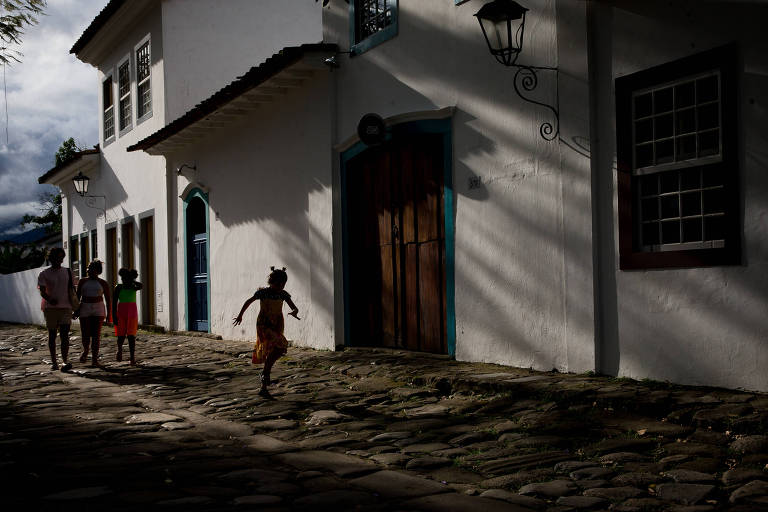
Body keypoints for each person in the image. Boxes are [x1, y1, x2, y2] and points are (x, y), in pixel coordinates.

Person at [233, 266, 299, 399]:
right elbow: (248, 301)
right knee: (280, 343)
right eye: (278, 284)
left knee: (279, 349)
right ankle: (266, 373)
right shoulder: (263, 293)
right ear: (271, 282)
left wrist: (294, 312)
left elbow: (294, 307)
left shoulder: (283, 294)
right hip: (264, 324)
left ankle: (264, 380)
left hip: (277, 324)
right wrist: (240, 315)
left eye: (283, 284)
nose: (280, 286)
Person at [37, 247, 76, 371]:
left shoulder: (68, 272)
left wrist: (76, 306)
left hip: (66, 307)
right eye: (57, 257)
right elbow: (42, 291)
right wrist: (49, 299)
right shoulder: (44, 273)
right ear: (51, 258)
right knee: (52, 334)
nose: (59, 259)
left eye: (61, 257)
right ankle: (54, 361)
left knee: (65, 335)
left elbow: (72, 289)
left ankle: (64, 360)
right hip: (50, 308)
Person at [76, 260, 112, 367]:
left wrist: (109, 314)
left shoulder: (103, 283)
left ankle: (95, 359)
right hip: (85, 308)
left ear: (97, 270)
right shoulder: (82, 281)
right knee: (85, 334)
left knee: (96, 335)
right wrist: (76, 311)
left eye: (90, 267)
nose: (88, 269)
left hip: (98, 309)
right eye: (87, 267)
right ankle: (86, 350)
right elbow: (77, 298)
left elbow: (108, 299)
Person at [112, 268, 141, 365]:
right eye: (122, 278)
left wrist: (132, 280)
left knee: (131, 336)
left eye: (126, 278)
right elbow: (114, 303)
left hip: (132, 314)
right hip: (121, 313)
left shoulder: (134, 286)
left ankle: (132, 357)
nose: (123, 280)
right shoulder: (118, 287)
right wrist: (113, 316)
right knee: (120, 335)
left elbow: (141, 285)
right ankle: (119, 350)